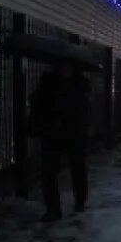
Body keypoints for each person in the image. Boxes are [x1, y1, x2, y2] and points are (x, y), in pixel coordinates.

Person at [28, 60, 91, 222]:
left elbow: (84, 109)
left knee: (75, 168)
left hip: (70, 131)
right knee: (51, 172)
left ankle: (78, 202)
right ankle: (54, 209)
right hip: (55, 132)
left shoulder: (78, 84)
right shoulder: (52, 83)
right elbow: (38, 102)